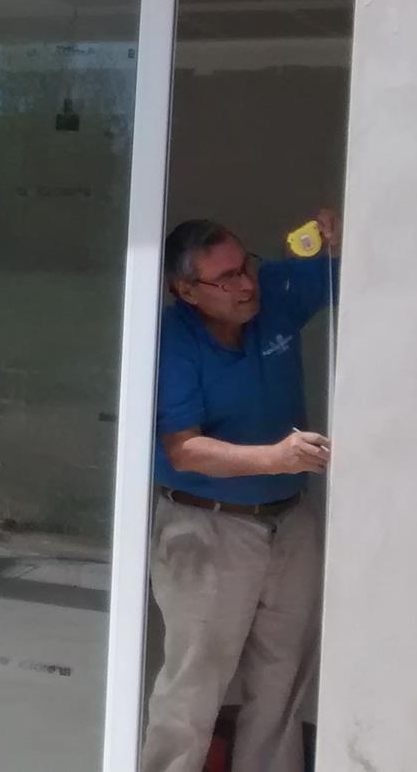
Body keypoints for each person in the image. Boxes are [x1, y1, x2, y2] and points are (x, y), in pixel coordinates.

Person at [142, 211, 339, 772]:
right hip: (206, 526)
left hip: (289, 520)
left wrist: (338, 239)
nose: (245, 284)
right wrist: (276, 458)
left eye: (244, 266)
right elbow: (184, 449)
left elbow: (353, 276)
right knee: (193, 685)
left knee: (283, 677)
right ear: (186, 290)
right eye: (225, 278)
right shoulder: (171, 340)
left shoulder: (272, 290)